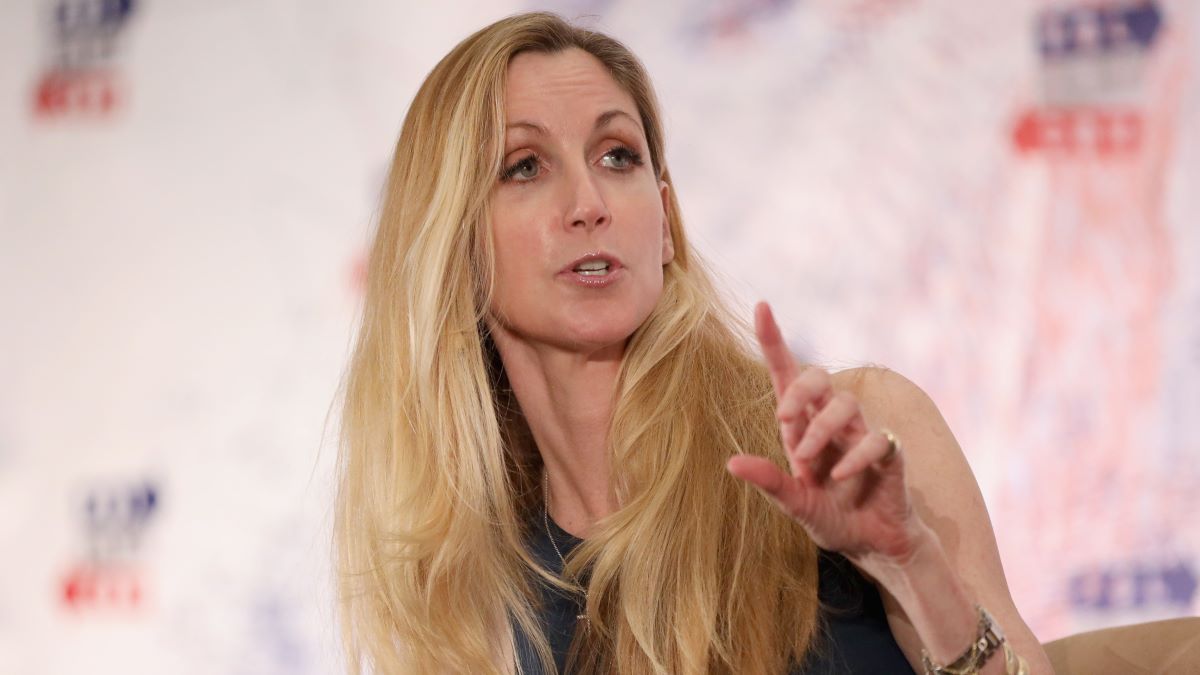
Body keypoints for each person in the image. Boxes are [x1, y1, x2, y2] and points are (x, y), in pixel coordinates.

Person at [334, 11, 1053, 675]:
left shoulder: (863, 436)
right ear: (454, 246)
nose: (589, 205)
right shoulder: (476, 599)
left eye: (617, 156)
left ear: (667, 219)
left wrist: (910, 564)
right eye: (525, 166)